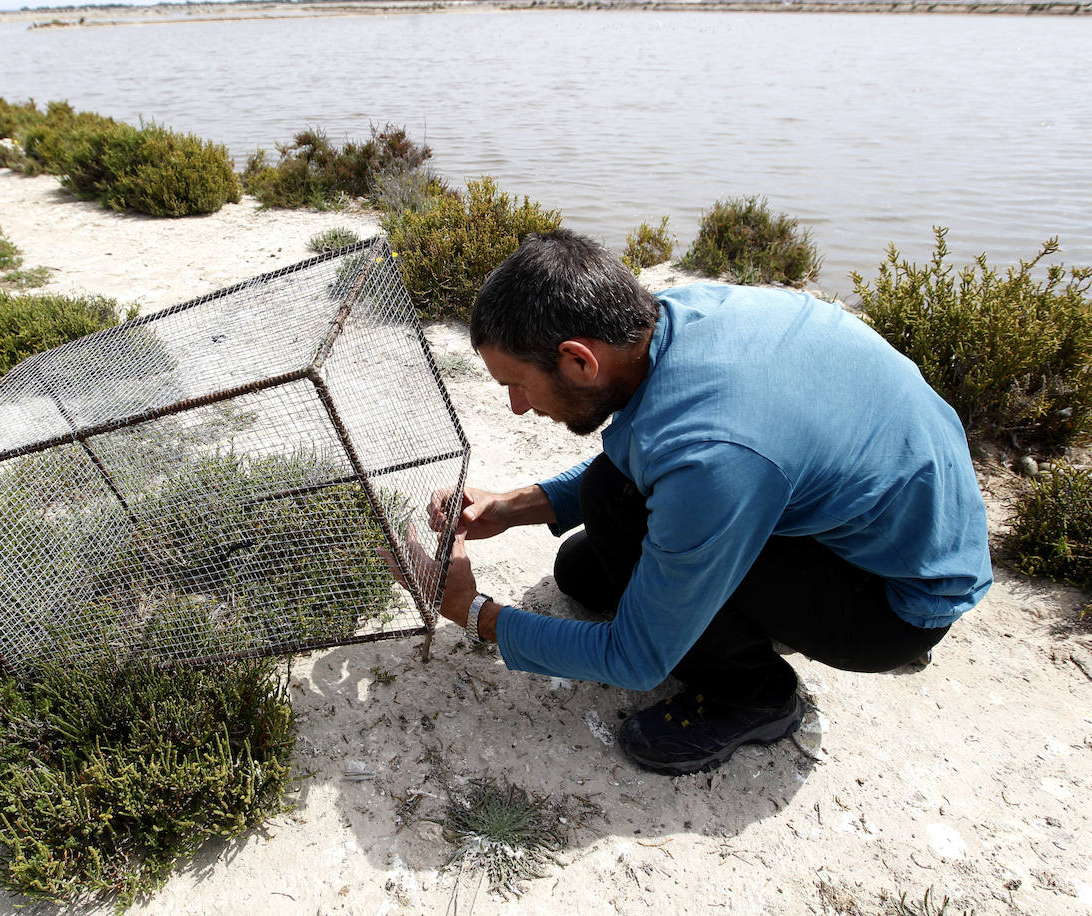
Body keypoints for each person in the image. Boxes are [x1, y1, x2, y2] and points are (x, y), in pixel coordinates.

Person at [412, 229, 992, 777]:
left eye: (517, 384)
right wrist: (513, 506)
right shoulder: (674, 314)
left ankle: (758, 699)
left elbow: (637, 659)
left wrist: (471, 611)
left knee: (617, 522)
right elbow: (663, 442)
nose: (516, 406)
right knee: (585, 563)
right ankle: (739, 623)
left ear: (579, 361)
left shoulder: (717, 456)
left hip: (890, 603)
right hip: (862, 521)